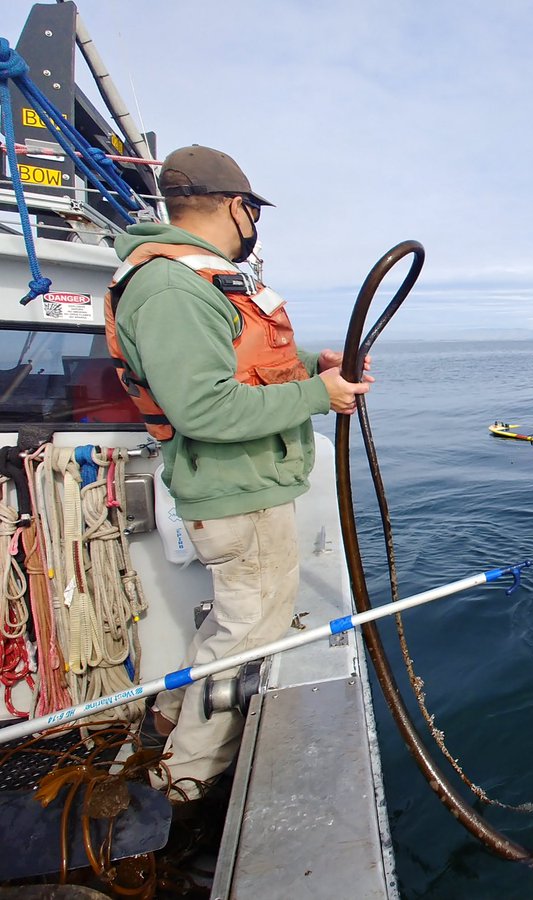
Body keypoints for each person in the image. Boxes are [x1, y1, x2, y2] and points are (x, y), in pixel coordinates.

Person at [104, 145, 370, 801]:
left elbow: (249, 357)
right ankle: (184, 787)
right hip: (236, 499)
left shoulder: (197, 281)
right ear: (236, 206)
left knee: (237, 624)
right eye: (253, 210)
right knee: (246, 640)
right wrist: (320, 396)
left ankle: (167, 725)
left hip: (247, 492)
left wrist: (314, 364)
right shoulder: (171, 287)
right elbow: (203, 407)